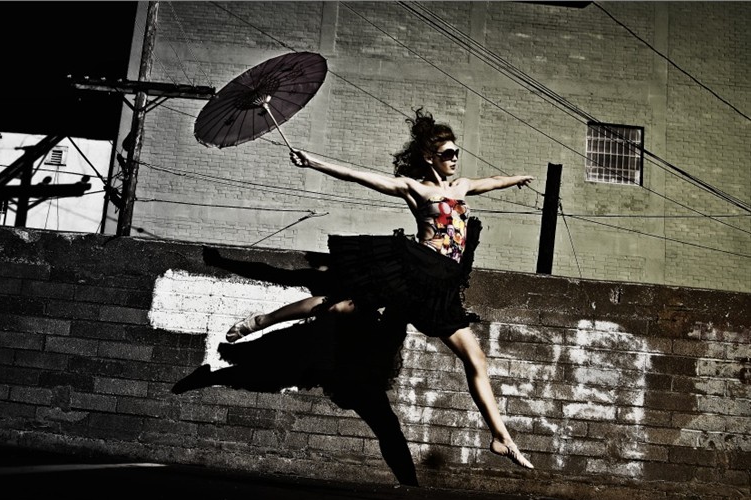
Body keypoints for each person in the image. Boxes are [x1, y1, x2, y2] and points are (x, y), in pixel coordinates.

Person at [226, 108, 535, 469]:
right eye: (447, 153)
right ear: (429, 157)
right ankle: (260, 321)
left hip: (442, 287)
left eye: (456, 152)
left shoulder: (462, 187)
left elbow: (493, 181)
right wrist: (314, 163)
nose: (454, 159)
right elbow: (360, 177)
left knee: (476, 359)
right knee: (339, 306)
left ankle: (500, 437)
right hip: (415, 270)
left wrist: (517, 178)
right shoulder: (415, 188)